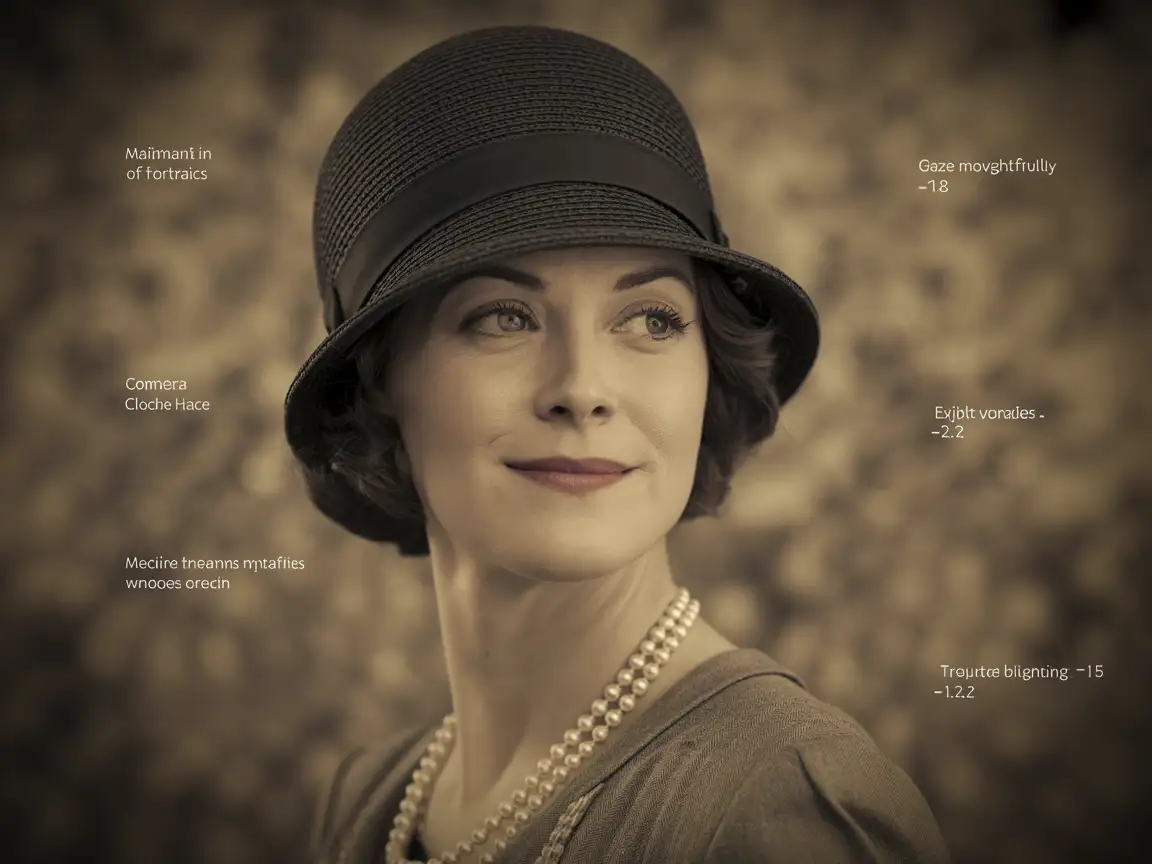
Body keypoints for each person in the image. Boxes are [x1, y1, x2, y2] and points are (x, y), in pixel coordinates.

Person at [286, 25, 951, 864]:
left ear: (711, 368)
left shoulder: (781, 805)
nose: (583, 388)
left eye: (651, 319)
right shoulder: (368, 804)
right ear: (376, 385)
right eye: (503, 316)